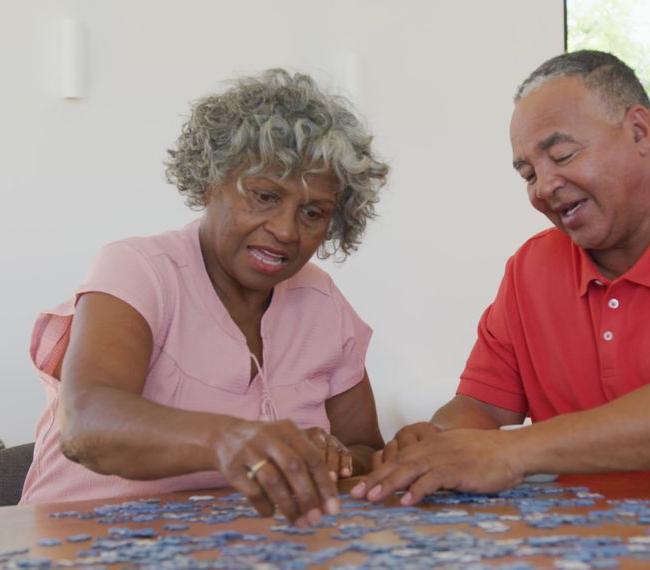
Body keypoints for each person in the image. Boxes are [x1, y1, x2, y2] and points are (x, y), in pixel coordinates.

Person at [351, 50, 650, 506]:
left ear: (640, 131)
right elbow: (479, 408)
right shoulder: (530, 269)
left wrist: (513, 452)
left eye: (561, 156)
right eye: (527, 173)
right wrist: (437, 440)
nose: (543, 187)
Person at [20, 69, 390, 525]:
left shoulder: (322, 302)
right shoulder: (140, 269)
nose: (286, 230)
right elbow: (87, 424)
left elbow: (367, 450)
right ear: (211, 181)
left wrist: (329, 455)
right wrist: (231, 440)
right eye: (264, 196)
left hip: (252, 550)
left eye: (312, 213)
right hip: (86, 546)